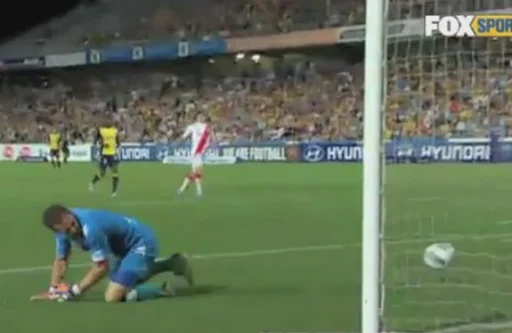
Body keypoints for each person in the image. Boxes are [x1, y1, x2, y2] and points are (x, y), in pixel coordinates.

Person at [34, 204, 193, 303]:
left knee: (113, 296)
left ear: (70, 214)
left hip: (140, 242)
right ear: (57, 230)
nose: (73, 230)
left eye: (73, 225)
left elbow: (101, 267)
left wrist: (76, 291)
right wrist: (54, 289)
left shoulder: (91, 228)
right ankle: (174, 263)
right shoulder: (61, 232)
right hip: (119, 249)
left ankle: (162, 288)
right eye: (67, 230)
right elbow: (61, 259)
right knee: (121, 280)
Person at [177, 113, 214, 197]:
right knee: (197, 172)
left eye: (203, 116)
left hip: (201, 152)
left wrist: (212, 145)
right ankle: (196, 191)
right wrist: (178, 142)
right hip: (196, 152)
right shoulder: (192, 126)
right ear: (197, 118)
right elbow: (184, 136)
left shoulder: (207, 127)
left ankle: (183, 189)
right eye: (200, 116)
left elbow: (209, 139)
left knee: (195, 172)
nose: (202, 117)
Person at [89, 121, 120, 196]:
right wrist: (102, 144)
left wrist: (117, 147)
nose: (108, 122)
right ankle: (92, 183)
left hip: (113, 154)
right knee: (102, 173)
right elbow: (95, 142)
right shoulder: (101, 131)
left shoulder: (115, 131)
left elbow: (118, 142)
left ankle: (114, 191)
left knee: (115, 172)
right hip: (104, 154)